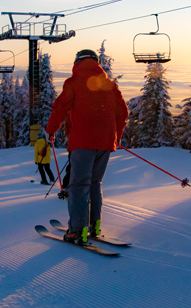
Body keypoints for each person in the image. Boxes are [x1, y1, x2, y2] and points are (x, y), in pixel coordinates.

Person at [46, 49, 128, 245]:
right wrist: (116, 136)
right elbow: (123, 112)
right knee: (94, 184)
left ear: (77, 62)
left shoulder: (73, 83)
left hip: (83, 142)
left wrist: (50, 131)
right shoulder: (110, 86)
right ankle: (94, 226)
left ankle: (77, 230)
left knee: (78, 185)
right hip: (105, 143)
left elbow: (60, 108)